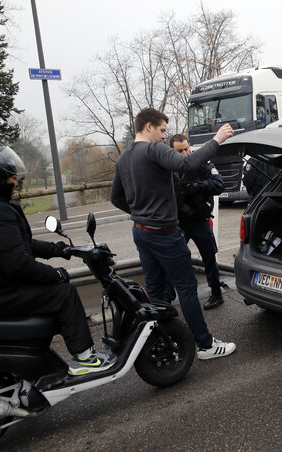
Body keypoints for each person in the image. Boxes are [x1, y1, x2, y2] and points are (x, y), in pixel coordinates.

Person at [0, 140, 116, 375]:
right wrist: (57, 274)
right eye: (10, 177)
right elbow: (18, 265)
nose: (15, 181)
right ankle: (86, 358)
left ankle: (39, 355)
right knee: (64, 293)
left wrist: (60, 250)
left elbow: (20, 245)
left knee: (51, 290)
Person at [111, 108, 236, 360]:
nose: (162, 136)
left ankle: (162, 341)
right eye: (161, 130)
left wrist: (140, 213)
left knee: (156, 291)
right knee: (187, 287)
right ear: (148, 127)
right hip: (165, 233)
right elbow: (187, 163)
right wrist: (217, 140)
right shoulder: (154, 149)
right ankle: (205, 345)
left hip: (141, 232)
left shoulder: (124, 157)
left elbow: (116, 197)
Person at [170, 134, 226, 310]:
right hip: (179, 222)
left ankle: (216, 293)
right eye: (180, 151)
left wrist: (197, 186)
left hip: (200, 220)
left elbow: (219, 184)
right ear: (172, 151)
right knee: (174, 259)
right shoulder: (169, 168)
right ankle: (168, 296)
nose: (185, 153)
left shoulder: (202, 163)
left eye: (186, 148)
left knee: (209, 258)